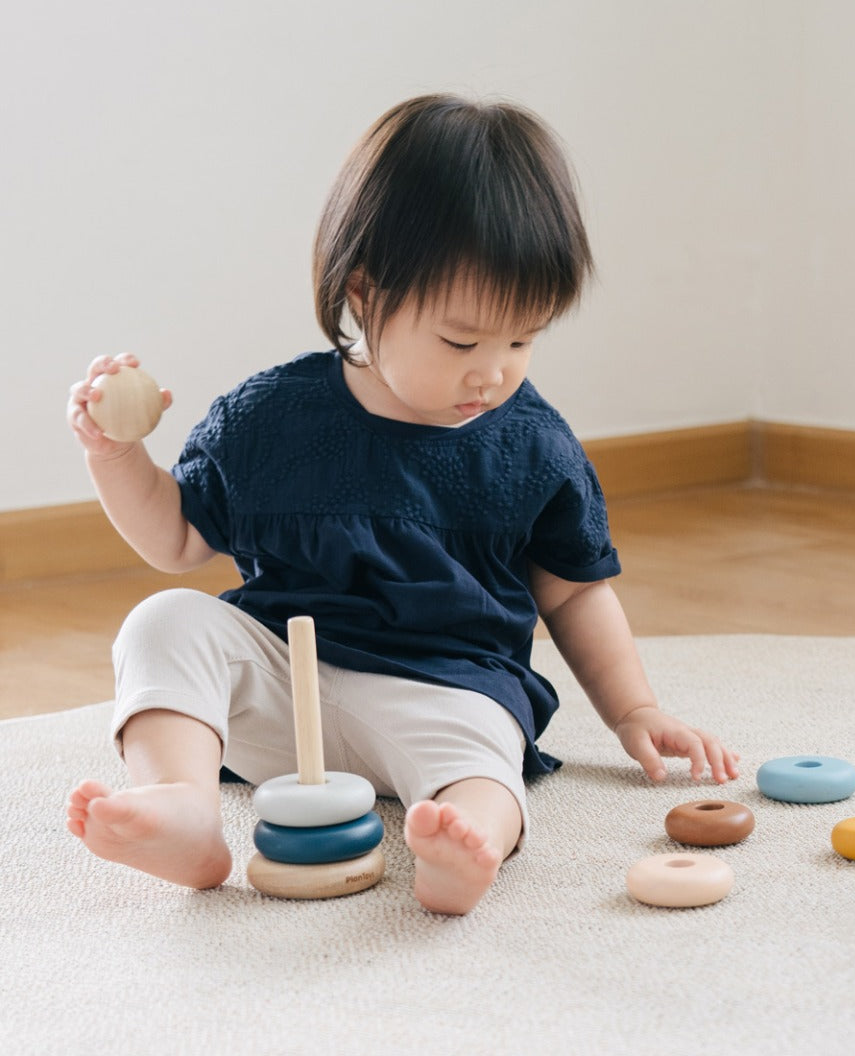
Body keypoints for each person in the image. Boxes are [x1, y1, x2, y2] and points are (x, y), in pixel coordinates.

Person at [65, 94, 739, 915]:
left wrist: (636, 708)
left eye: (522, 339)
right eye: (462, 342)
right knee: (163, 622)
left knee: (487, 748)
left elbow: (574, 590)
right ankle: (184, 807)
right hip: (287, 686)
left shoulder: (533, 444)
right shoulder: (273, 417)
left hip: (447, 692)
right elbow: (175, 539)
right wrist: (118, 454)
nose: (492, 372)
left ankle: (469, 839)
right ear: (366, 293)